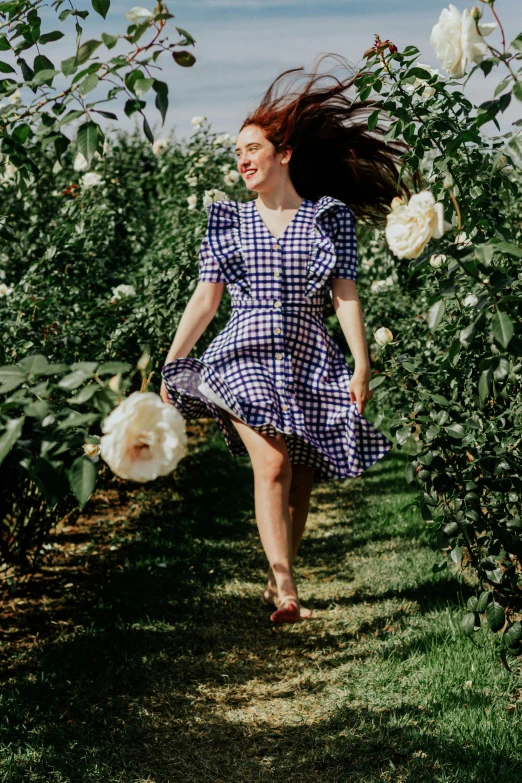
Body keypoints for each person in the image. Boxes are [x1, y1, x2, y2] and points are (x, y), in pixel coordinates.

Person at [160, 54, 416, 625]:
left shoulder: (329, 220)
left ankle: (280, 579)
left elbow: (346, 296)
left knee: (300, 475)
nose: (242, 159)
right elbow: (207, 300)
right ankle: (288, 585)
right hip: (242, 356)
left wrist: (360, 366)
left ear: (284, 154)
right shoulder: (227, 220)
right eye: (238, 152)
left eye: (251, 148)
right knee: (272, 463)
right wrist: (174, 361)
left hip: (307, 356)